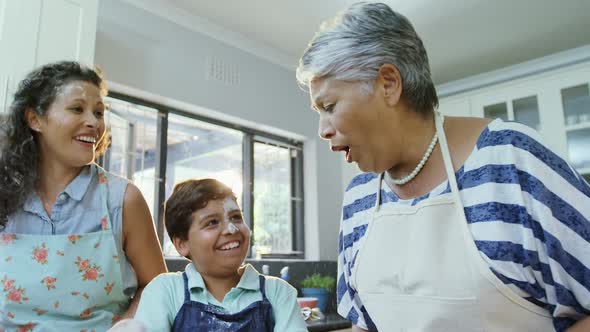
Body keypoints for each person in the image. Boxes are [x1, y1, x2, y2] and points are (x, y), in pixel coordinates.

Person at [296, 2, 590, 332]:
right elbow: (362, 324)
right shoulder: (359, 197)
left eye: (329, 106)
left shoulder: (511, 160)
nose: (322, 130)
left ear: (388, 84)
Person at [0, 61, 167, 331]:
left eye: (99, 113)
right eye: (77, 109)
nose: (93, 122)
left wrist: (126, 325)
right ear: (35, 119)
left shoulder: (122, 200)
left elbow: (158, 287)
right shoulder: (4, 197)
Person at [134, 179, 308, 332]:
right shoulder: (166, 291)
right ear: (182, 244)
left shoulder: (278, 293)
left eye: (236, 217)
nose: (231, 229)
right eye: (212, 222)